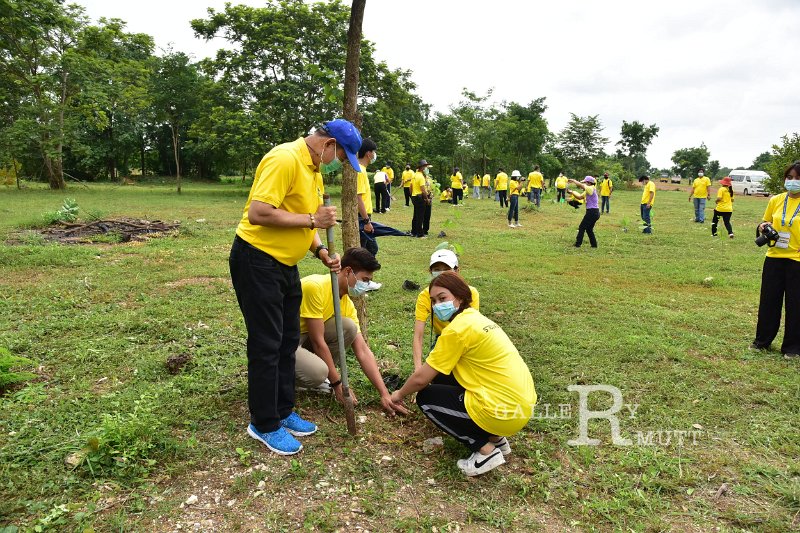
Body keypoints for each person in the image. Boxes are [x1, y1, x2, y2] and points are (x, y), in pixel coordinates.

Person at [229, 118, 360, 455]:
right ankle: (264, 423)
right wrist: (313, 221)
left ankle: (283, 410)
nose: (338, 164)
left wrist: (319, 249)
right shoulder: (284, 159)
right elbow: (259, 213)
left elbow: (304, 220)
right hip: (257, 260)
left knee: (287, 340)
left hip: (286, 264)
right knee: (267, 343)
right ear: (328, 143)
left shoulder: (313, 169)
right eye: (341, 156)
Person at [391, 271, 536, 477]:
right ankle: (496, 438)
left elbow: (421, 378)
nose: (437, 305)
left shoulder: (456, 330)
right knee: (441, 376)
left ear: (459, 297)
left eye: (443, 298)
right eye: (433, 301)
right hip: (521, 406)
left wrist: (397, 395)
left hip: (503, 412)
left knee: (426, 397)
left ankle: (486, 451)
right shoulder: (476, 319)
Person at [294, 247, 408, 414]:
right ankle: (286, 377)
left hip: (304, 342)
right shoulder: (315, 287)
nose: (366, 285)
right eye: (364, 279)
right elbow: (318, 342)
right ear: (348, 271)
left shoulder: (346, 303)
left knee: (348, 327)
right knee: (318, 372)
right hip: (283, 343)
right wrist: (337, 384)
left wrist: (384, 394)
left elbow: (362, 350)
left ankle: (310, 373)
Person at [751, 161, 800, 359]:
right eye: (789, 177)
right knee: (769, 301)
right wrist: (763, 227)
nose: (793, 181)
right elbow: (765, 221)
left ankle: (792, 348)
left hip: (797, 260)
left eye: (797, 178)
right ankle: (762, 341)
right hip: (774, 257)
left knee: (795, 304)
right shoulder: (776, 200)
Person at [412, 249, 480, 371]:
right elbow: (418, 335)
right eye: (437, 269)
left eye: (446, 268)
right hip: (442, 338)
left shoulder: (471, 293)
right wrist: (418, 369)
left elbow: (472, 329)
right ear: (430, 272)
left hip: (465, 340)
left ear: (457, 270)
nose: (442, 273)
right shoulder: (425, 296)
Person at [356, 139, 409, 255]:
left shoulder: (362, 170)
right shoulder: (359, 171)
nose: (375, 155)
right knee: (363, 251)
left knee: (371, 249)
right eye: (374, 152)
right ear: (368, 154)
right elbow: (358, 198)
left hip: (365, 216)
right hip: (362, 217)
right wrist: (366, 221)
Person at [568, 176, 600, 248]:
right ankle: (594, 245)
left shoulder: (591, 188)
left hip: (592, 212)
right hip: (594, 212)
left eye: (585, 182)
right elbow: (580, 197)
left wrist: (573, 180)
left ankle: (578, 244)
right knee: (589, 229)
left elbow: (581, 185)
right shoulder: (588, 190)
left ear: (588, 183)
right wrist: (572, 192)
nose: (584, 184)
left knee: (582, 227)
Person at [411, 159, 432, 238]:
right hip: (420, 197)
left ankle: (414, 231)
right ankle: (420, 234)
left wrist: (412, 195)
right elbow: (423, 190)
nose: (426, 168)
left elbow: (411, 187)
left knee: (416, 215)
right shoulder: (421, 177)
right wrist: (426, 199)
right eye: (425, 166)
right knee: (420, 216)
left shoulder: (414, 175)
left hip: (414, 196)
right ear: (422, 167)